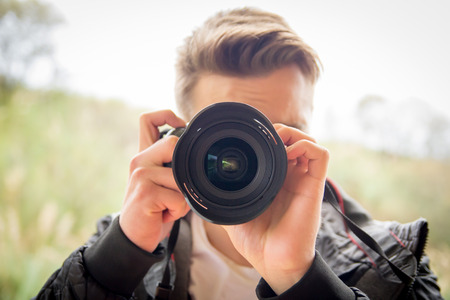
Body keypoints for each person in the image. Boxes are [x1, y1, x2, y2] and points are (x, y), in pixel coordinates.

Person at [35, 7, 442, 300]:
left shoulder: (394, 259)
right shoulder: (131, 238)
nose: (263, 155)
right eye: (236, 134)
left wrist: (300, 277)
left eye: (286, 132)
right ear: (184, 138)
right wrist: (119, 257)